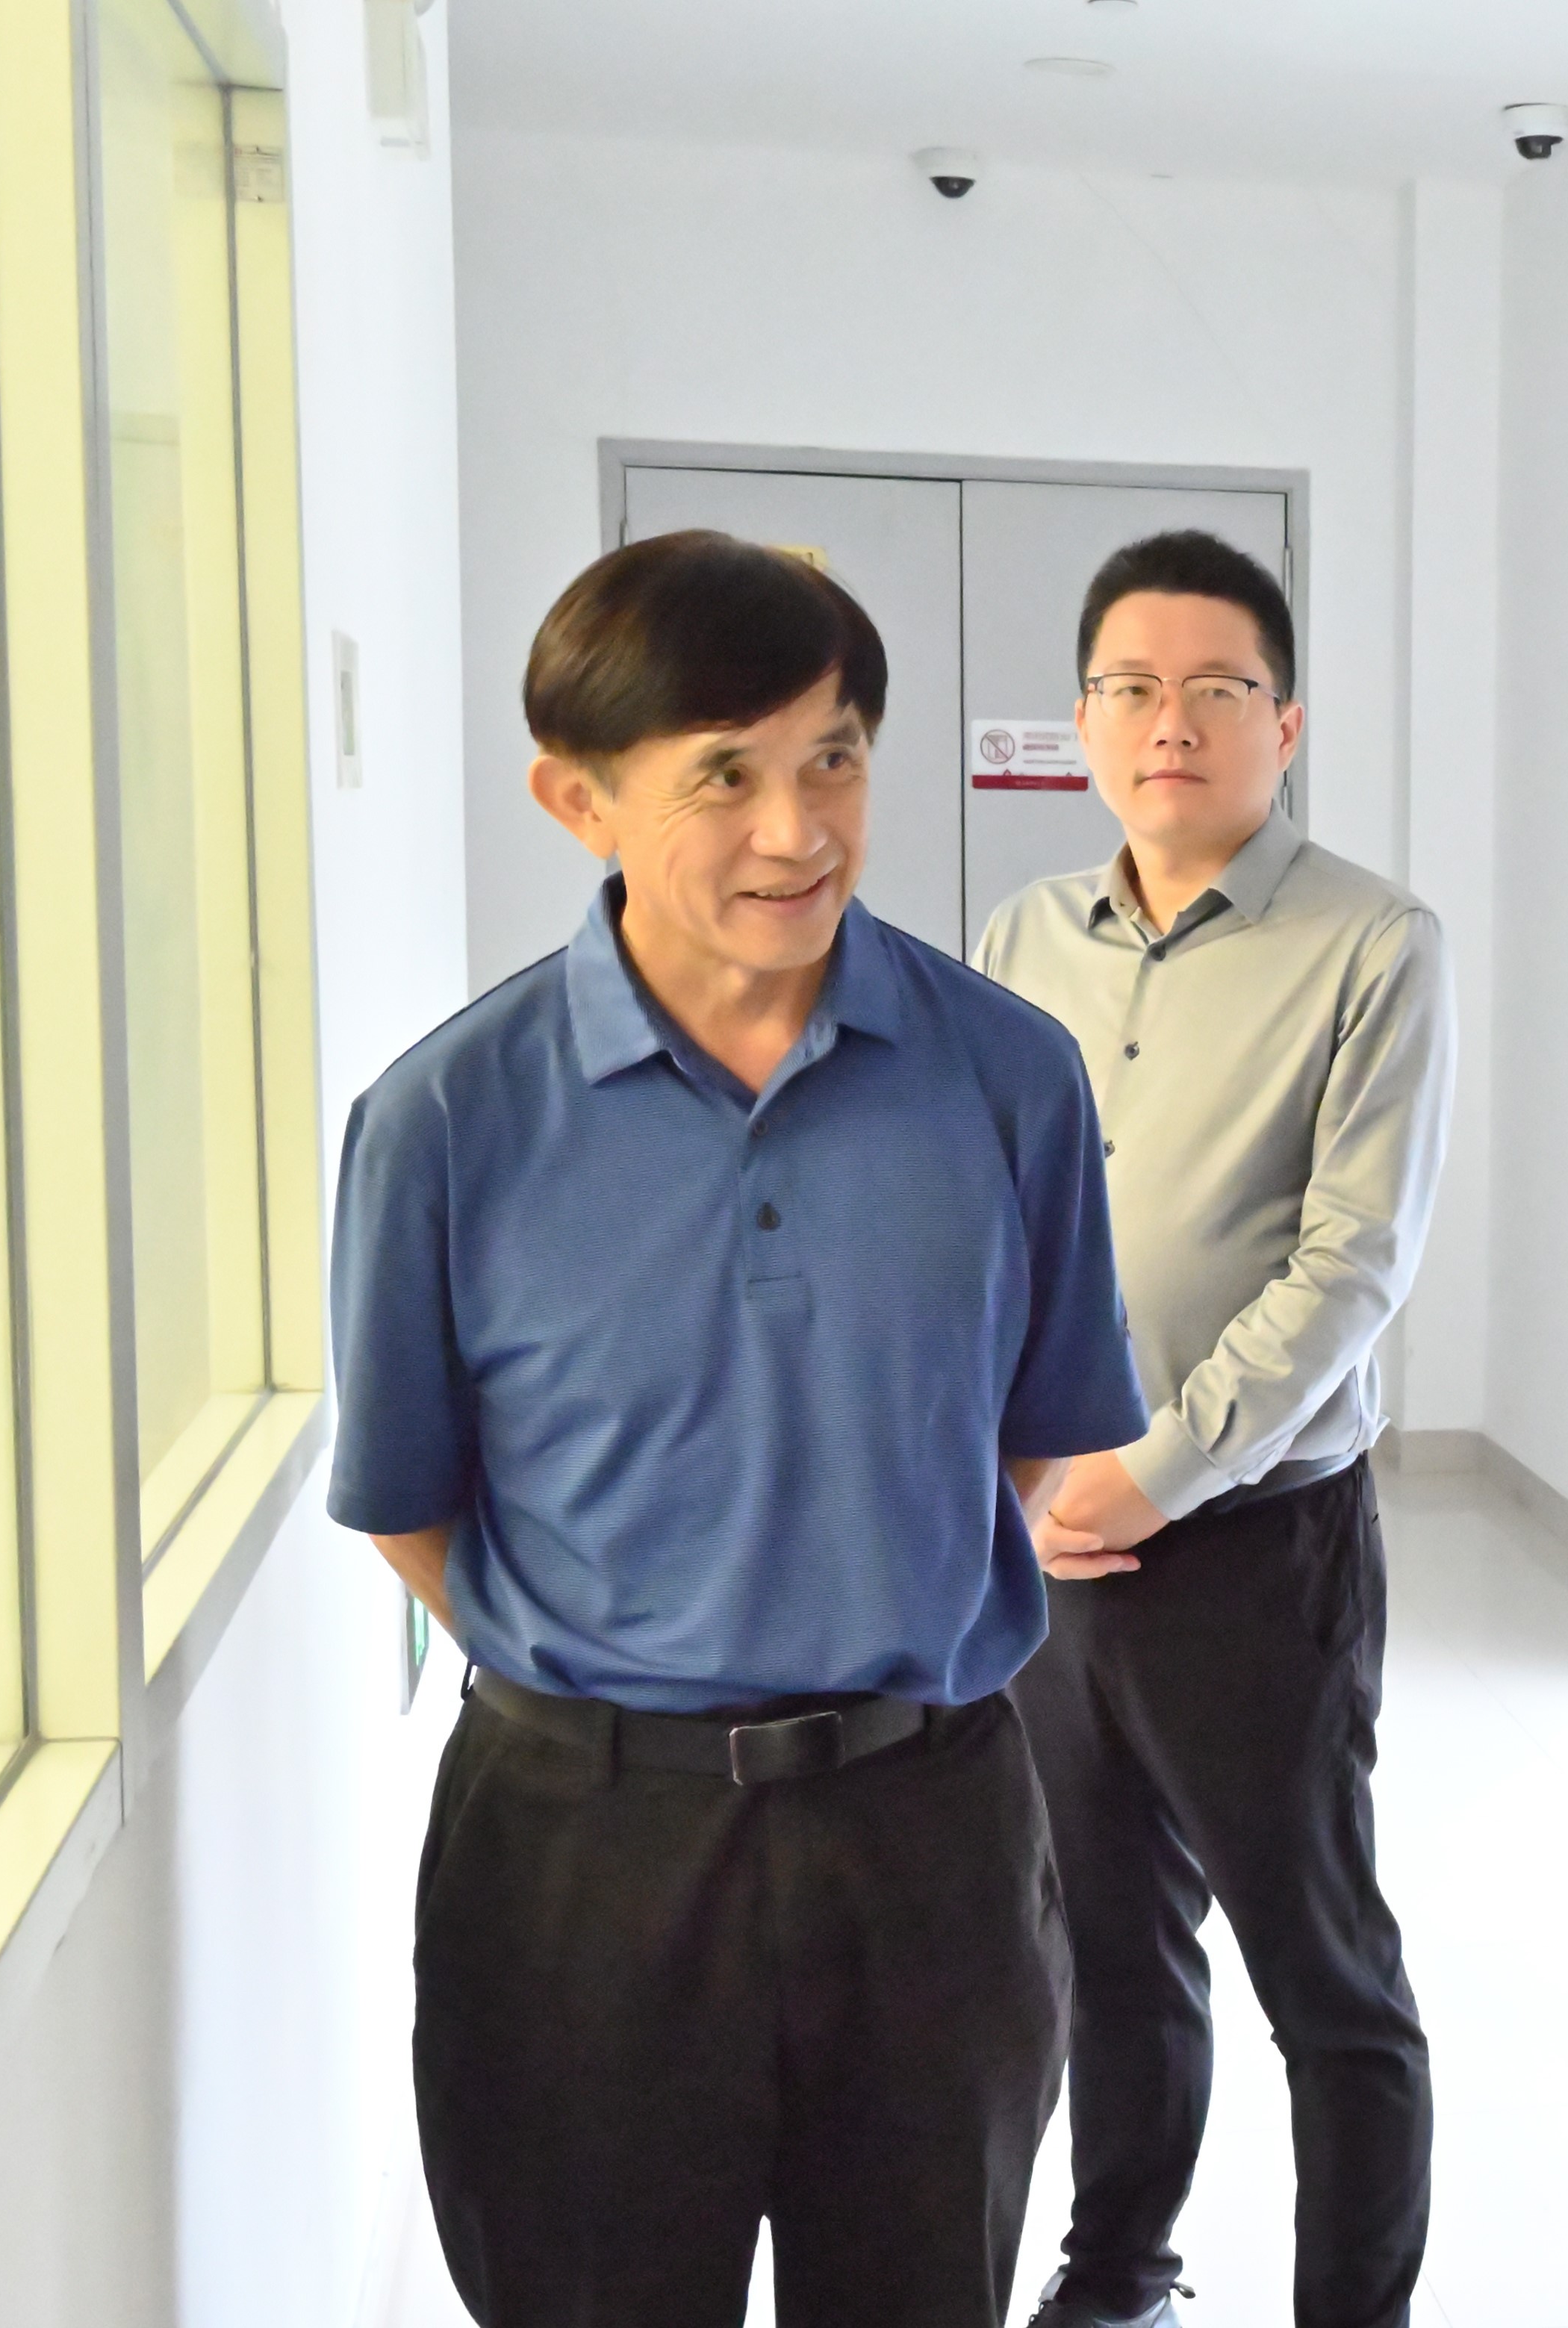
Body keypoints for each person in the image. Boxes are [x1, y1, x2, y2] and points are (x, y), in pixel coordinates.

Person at [327, 532, 1143, 2328]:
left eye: (833, 756)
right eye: (725, 775)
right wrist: (639, 1682)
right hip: (581, 1860)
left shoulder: (1009, 1075)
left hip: (928, 1833)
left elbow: (1023, 1438)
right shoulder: (444, 1121)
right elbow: (409, 1507)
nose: (799, 829)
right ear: (579, 799)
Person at [971, 530, 1449, 2328]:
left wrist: (1153, 1471)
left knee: (1325, 1977)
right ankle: (1120, 2274)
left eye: (1215, 688)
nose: (1169, 721)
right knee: (1102, 1943)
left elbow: (1353, 1263)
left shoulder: (1374, 942)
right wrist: (1021, 1474)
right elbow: (982, 1223)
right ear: (1086, 719)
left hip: (1253, 1547)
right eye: (1130, 687)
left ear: (1285, 721)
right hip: (1052, 1547)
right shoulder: (1022, 938)